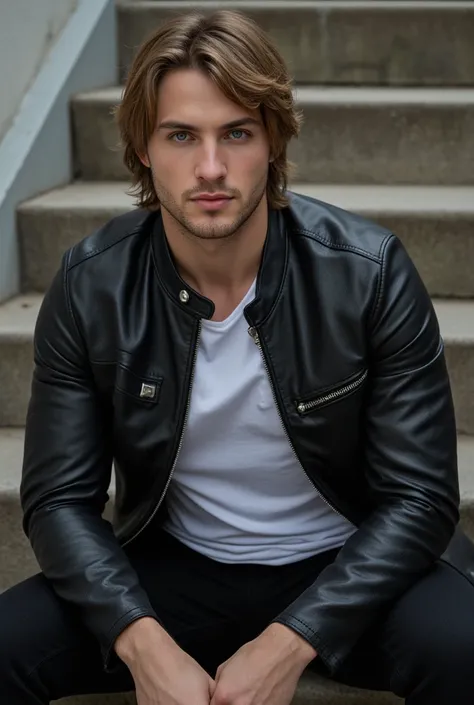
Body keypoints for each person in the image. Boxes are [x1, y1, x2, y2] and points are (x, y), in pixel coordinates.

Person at [2, 8, 474, 705]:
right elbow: (59, 501)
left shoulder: (368, 272)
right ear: (142, 148)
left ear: (274, 141)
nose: (211, 167)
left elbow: (422, 496)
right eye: (182, 135)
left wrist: (292, 639)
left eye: (238, 133)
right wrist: (141, 639)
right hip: (177, 566)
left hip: (346, 565)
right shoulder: (92, 284)